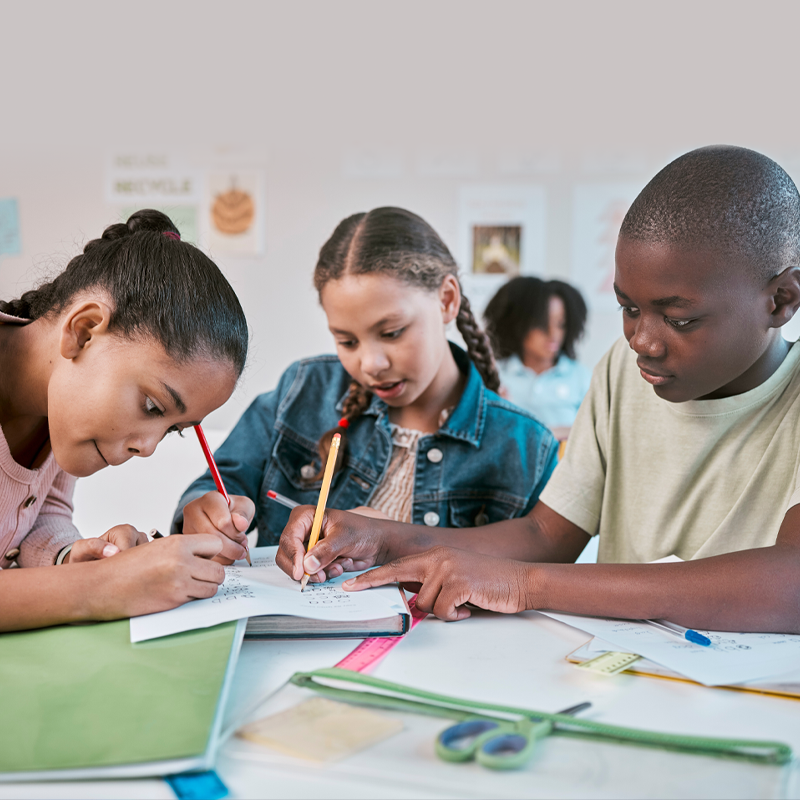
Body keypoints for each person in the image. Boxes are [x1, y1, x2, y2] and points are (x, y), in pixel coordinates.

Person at [275, 146, 800, 634]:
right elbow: (546, 536)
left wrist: (524, 585)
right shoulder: (624, 371)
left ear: (781, 299)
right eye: (629, 308)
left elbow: (789, 583)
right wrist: (388, 538)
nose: (642, 341)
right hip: (623, 669)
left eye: (679, 319)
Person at [174, 207, 558, 558]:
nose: (370, 364)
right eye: (347, 341)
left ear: (446, 300)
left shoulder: (524, 447)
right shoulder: (303, 390)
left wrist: (392, 539)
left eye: (391, 332)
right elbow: (219, 484)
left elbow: (529, 577)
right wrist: (206, 511)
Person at [0, 209, 249, 632]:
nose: (147, 447)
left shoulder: (60, 403)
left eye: (172, 429)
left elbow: (42, 514)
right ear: (84, 330)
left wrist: (75, 556)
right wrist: (98, 586)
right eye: (153, 406)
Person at [484, 277, 590, 438]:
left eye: (561, 324)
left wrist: (539, 434)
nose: (553, 335)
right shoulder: (494, 374)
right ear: (520, 324)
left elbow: (598, 433)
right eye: (542, 324)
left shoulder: (582, 378)